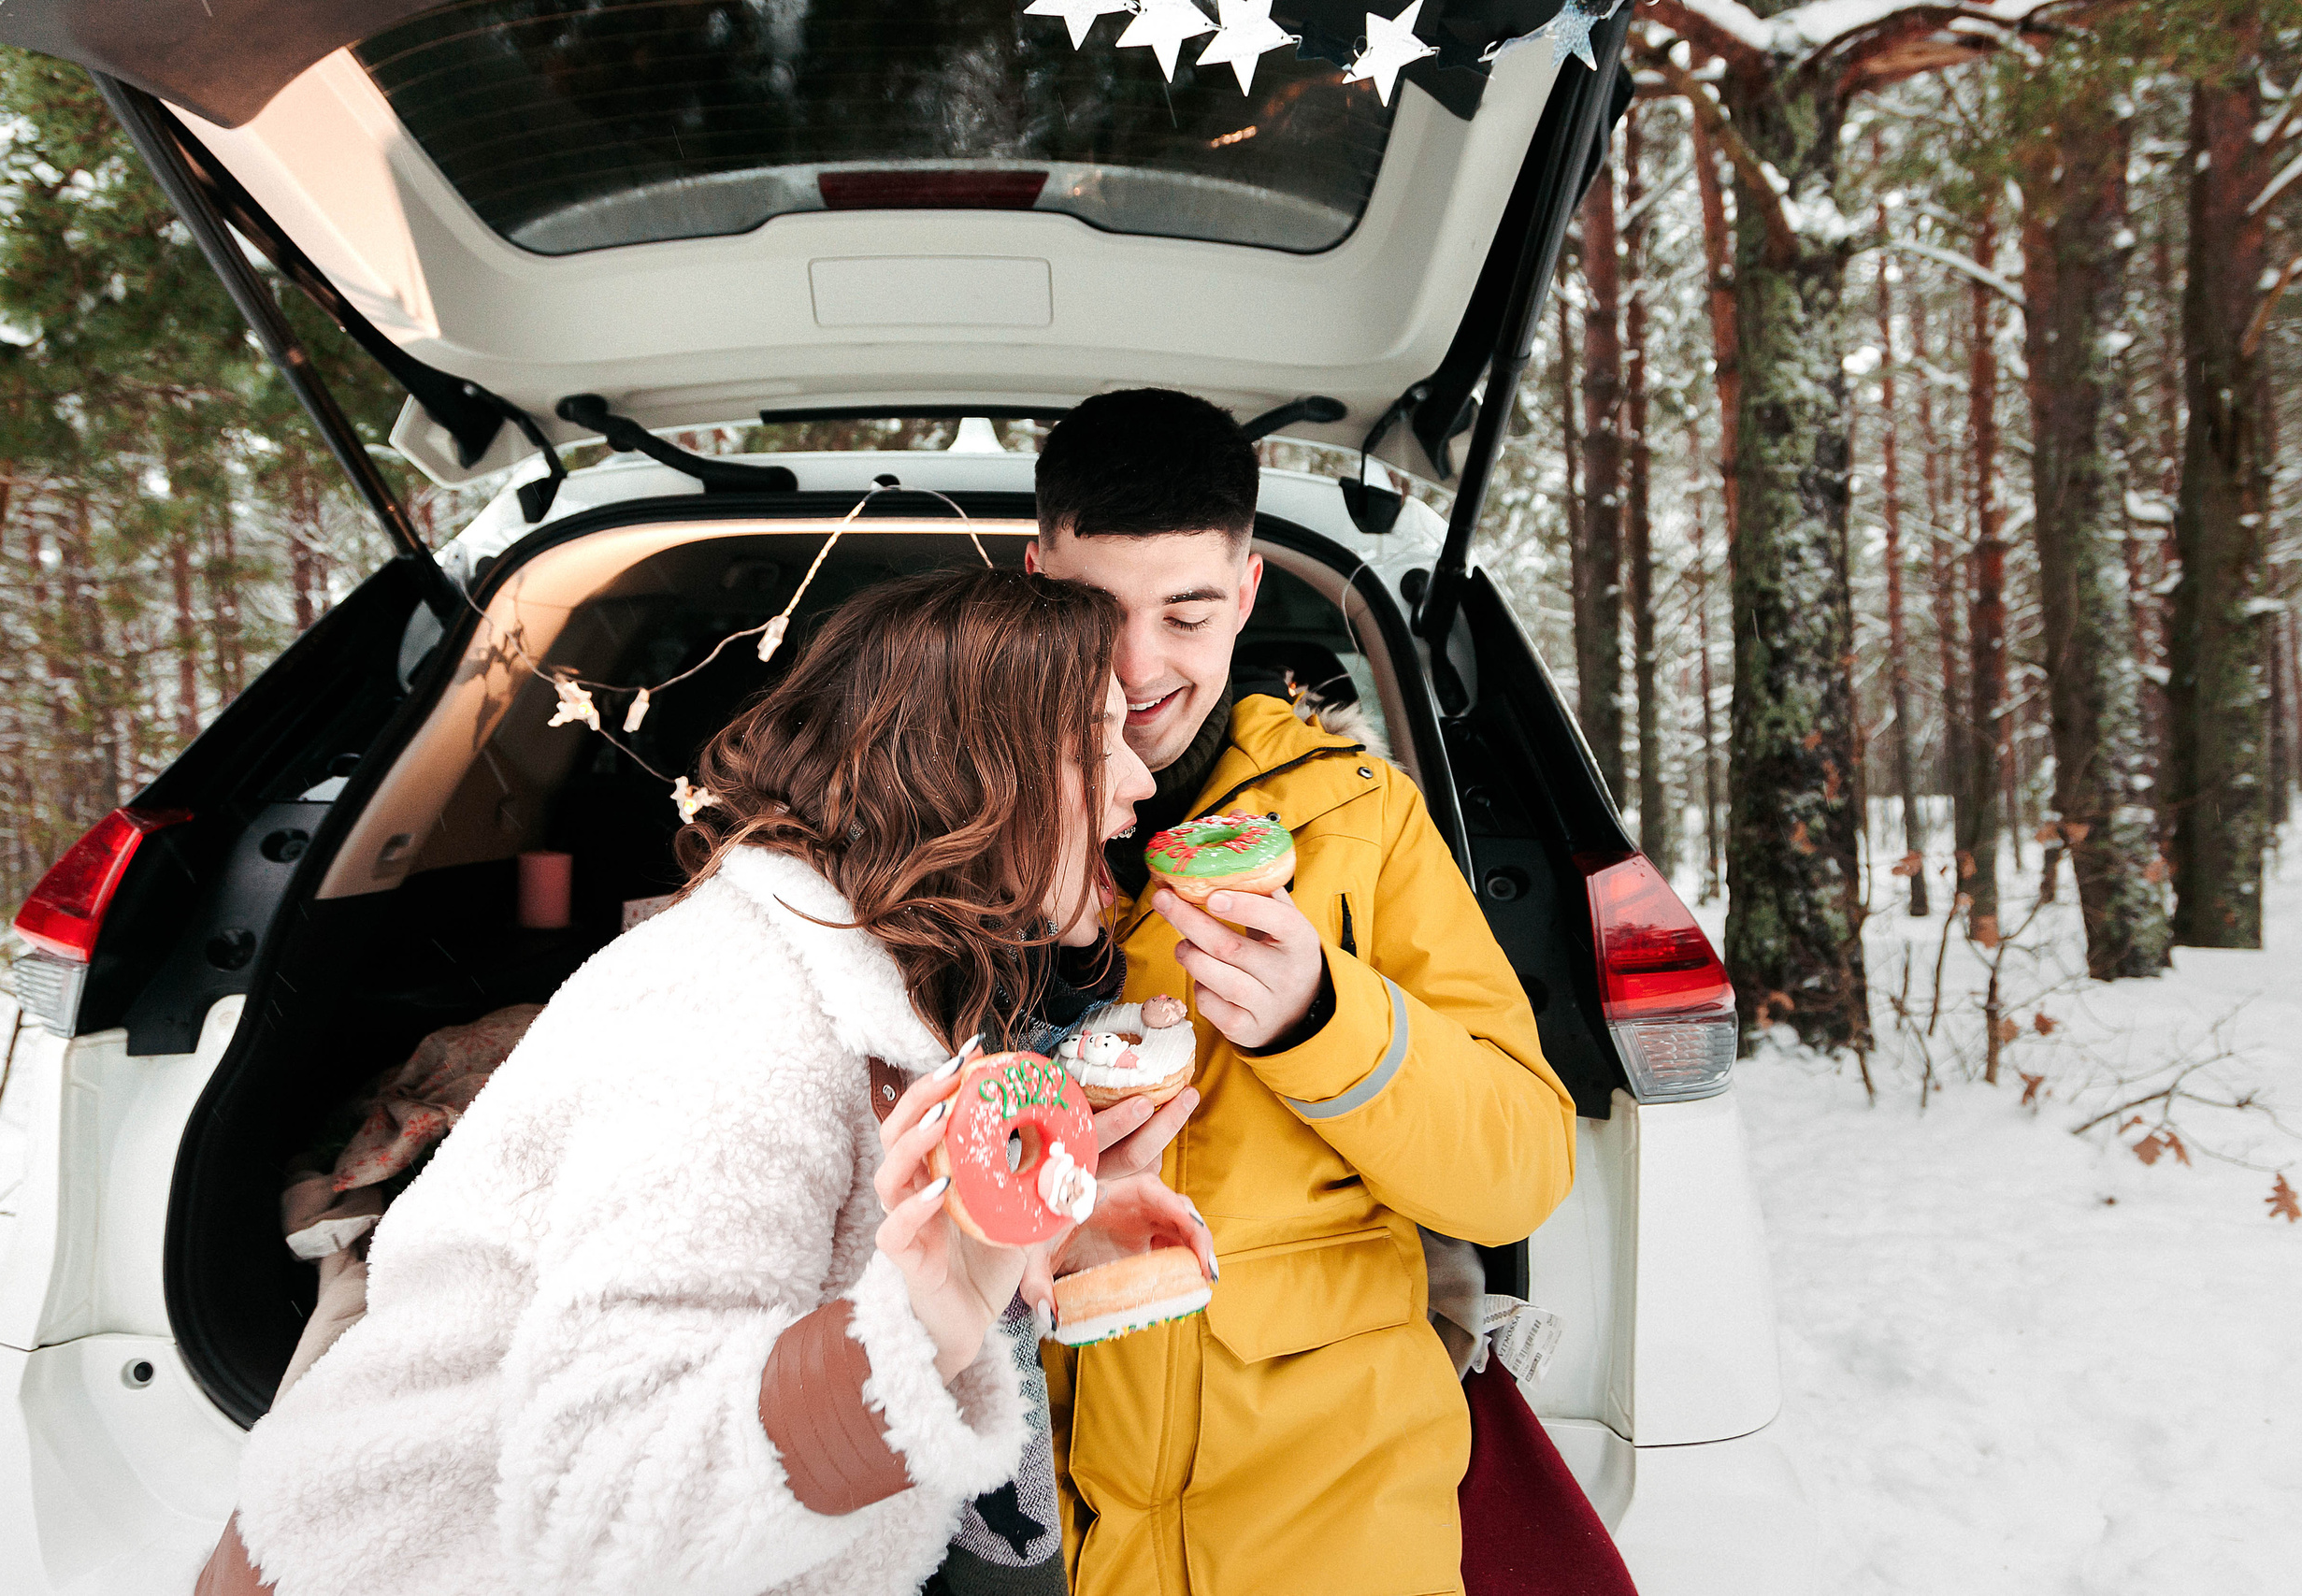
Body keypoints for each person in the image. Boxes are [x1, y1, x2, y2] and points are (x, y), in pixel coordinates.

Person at [222, 568, 1213, 1596]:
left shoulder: (879, 988)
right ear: (970, 770)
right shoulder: (734, 1011)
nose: (1138, 780)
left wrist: (1011, 1246)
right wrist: (922, 1327)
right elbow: (612, 1508)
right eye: (1093, 739)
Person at [1026, 390, 1582, 1596]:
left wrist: (1327, 1022)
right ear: (1034, 577)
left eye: (1183, 612)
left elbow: (1517, 1174)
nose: (1134, 669)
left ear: (1243, 593)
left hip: (1328, 1515)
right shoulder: (958, 831)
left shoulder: (1358, 823)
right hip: (1041, 1526)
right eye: (1090, 612)